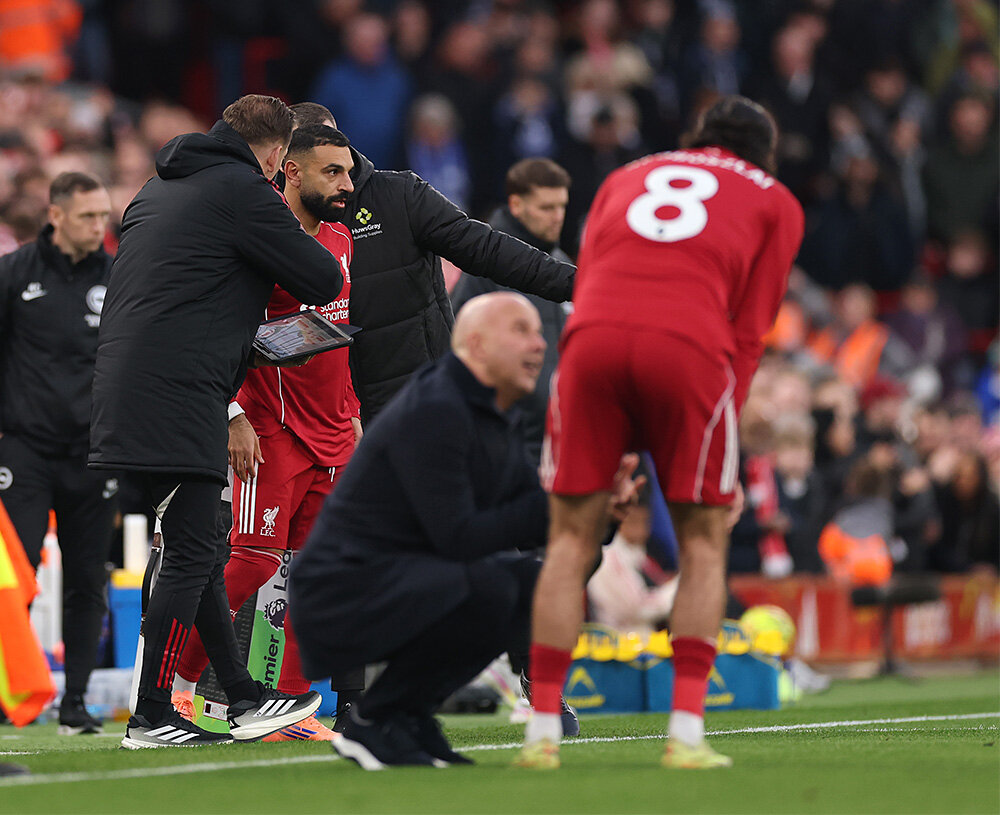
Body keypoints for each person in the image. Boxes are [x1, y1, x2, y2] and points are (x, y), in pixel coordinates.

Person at [517, 95, 805, 770]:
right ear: (765, 152)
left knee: (568, 541)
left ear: (697, 136)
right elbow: (749, 332)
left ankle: (541, 733)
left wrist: (616, 444)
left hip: (590, 343)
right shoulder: (776, 200)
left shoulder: (626, 174)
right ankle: (685, 735)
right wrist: (725, 439)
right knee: (704, 542)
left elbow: (590, 279)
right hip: (689, 345)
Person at [88, 95, 344, 748]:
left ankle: (245, 697)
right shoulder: (243, 190)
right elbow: (321, 277)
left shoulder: (156, 189)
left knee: (197, 547)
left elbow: (173, 296)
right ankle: (151, 713)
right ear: (276, 154)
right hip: (181, 395)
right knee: (193, 553)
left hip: (131, 386)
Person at [290, 293, 638, 769]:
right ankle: (378, 718)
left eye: (539, 332)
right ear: (475, 344)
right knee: (496, 584)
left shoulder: (490, 413)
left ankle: (404, 716)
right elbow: (458, 536)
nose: (540, 344)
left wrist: (600, 514)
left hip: (393, 582)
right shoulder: (437, 407)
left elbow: (537, 521)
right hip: (338, 596)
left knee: (527, 582)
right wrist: (565, 505)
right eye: (521, 330)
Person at [169, 124, 359, 744]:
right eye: (332, 172)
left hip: (335, 431)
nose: (346, 185)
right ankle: (176, 690)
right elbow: (214, 327)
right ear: (292, 172)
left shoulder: (340, 236)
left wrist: (352, 408)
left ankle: (293, 709)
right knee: (250, 563)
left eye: (348, 172)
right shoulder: (255, 233)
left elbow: (341, 332)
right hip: (272, 430)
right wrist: (233, 413)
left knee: (320, 572)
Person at [451, 157, 579, 736]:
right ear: (517, 204)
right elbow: (459, 353)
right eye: (546, 207)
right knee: (515, 570)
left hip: (549, 446)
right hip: (497, 444)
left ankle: (534, 679)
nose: (556, 217)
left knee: (548, 570)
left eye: (562, 207)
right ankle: (521, 678)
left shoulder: (558, 266)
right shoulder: (485, 264)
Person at [0, 172, 114, 735]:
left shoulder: (118, 277)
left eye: (104, 215)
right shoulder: (14, 273)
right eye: (89, 216)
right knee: (15, 575)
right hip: (24, 449)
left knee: (87, 578)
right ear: (56, 215)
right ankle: (9, 695)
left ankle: (76, 703)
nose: (99, 226)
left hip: (92, 452)